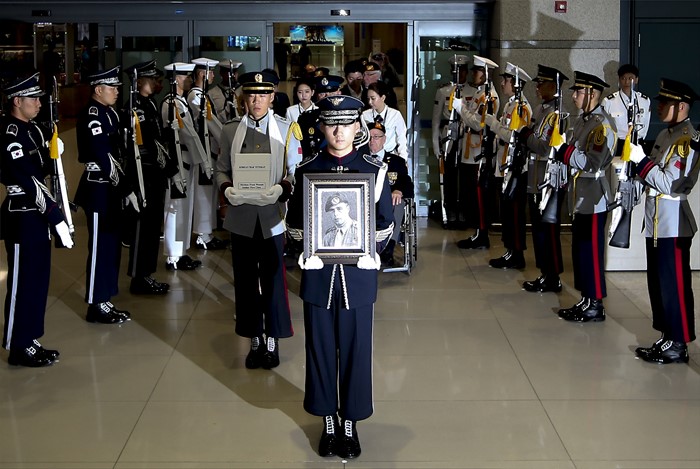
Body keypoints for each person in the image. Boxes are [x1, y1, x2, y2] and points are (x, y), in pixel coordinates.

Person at [287, 95, 394, 459]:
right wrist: (307, 248)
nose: (338, 131)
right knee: (319, 350)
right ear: (321, 126)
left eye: (346, 124)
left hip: (357, 277)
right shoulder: (307, 170)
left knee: (356, 351)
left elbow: (385, 223)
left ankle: (350, 421)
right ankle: (327, 421)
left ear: (357, 127)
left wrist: (368, 251)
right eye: (331, 123)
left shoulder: (373, 170)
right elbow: (294, 222)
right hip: (319, 276)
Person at [215, 70, 302, 370]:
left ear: (272, 97)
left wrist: (283, 188)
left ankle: (273, 339)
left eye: (263, 94)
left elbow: (295, 170)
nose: (257, 100)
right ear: (244, 98)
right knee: (245, 282)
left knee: (274, 282)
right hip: (241, 216)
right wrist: (227, 189)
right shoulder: (230, 130)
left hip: (272, 217)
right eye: (251, 94)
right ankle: (254, 339)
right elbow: (221, 169)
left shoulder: (286, 128)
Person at [1, 73, 74, 367]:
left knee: (37, 281)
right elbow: (28, 179)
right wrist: (55, 215)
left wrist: (51, 152)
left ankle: (30, 338)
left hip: (37, 215)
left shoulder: (32, 129)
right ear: (17, 101)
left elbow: (43, 168)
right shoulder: (10, 133)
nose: (39, 103)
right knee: (22, 282)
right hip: (22, 214)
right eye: (33, 98)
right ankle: (18, 346)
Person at [628, 78, 699, 363]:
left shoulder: (687, 140)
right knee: (658, 284)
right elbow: (653, 172)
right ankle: (668, 335)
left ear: (681, 106)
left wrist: (642, 162)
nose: (659, 106)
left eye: (666, 102)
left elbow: (670, 183)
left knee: (675, 285)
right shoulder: (665, 135)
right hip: (657, 222)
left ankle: (678, 343)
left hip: (673, 223)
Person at [553, 71, 616, 322]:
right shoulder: (583, 121)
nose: (574, 96)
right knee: (580, 251)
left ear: (592, 94)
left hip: (594, 196)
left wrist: (563, 151)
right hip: (580, 195)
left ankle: (595, 303)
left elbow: (592, 162)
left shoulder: (601, 125)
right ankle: (585, 298)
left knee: (591, 252)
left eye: (579, 92)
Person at [74, 66, 136, 324]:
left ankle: (106, 297)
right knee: (100, 247)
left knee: (111, 245)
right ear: (98, 90)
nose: (116, 91)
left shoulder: (109, 112)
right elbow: (103, 155)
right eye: (112, 87)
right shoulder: (93, 115)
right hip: (98, 186)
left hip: (111, 187)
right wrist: (125, 187)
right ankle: (96, 303)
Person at [517, 65, 569, 293]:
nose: (537, 88)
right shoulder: (541, 110)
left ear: (554, 86)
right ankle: (545, 272)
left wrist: (525, 134)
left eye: (542, 84)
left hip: (549, 180)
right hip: (537, 177)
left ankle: (553, 275)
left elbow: (545, 147)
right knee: (539, 229)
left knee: (548, 230)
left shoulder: (556, 115)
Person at [122, 60, 170, 295]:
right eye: (151, 79)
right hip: (144, 174)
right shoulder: (134, 107)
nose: (155, 83)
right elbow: (140, 145)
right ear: (138, 81)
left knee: (152, 227)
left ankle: (147, 274)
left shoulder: (150, 103)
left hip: (155, 173)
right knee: (143, 228)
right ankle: (138, 277)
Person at [483, 62, 533, 269]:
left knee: (514, 212)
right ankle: (510, 250)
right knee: (507, 211)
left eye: (506, 80)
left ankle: (517, 253)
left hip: (515, 167)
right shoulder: (510, 105)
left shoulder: (522, 107)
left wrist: (493, 124)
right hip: (504, 164)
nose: (503, 83)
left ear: (516, 84)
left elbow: (514, 136)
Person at [160, 62, 209, 271]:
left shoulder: (180, 102)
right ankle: (173, 255)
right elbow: (188, 134)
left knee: (185, 207)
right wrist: (204, 160)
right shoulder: (172, 104)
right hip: (178, 160)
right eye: (185, 76)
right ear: (176, 79)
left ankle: (181, 251)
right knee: (175, 207)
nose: (190, 79)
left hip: (187, 159)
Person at [455, 55, 501, 249]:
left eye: (478, 71)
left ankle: (482, 233)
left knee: (479, 196)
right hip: (470, 150)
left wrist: (461, 109)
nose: (474, 74)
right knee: (470, 194)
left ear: (486, 74)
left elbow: (477, 123)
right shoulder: (479, 93)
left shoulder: (489, 97)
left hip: (479, 152)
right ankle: (477, 231)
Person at [187, 57, 227, 251]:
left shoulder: (202, 94)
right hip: (203, 150)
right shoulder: (195, 96)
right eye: (210, 72)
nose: (212, 76)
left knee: (209, 192)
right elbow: (209, 122)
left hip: (211, 148)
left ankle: (207, 233)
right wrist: (225, 138)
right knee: (203, 193)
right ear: (202, 74)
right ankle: (203, 235)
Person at [431, 55, 472, 229]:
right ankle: (450, 211)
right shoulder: (443, 91)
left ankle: (463, 212)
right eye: (456, 70)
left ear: (467, 72)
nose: (459, 74)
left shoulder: (473, 91)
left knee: (465, 176)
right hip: (449, 137)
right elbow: (436, 120)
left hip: (466, 138)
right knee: (449, 176)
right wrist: (435, 144)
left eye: (462, 70)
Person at [367, 121, 414, 266]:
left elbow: (407, 183)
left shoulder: (396, 161)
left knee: (398, 202)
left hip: (390, 204)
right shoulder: (361, 160)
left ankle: (388, 248)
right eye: (369, 137)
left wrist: (399, 190)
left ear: (384, 139)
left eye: (376, 137)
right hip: (367, 203)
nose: (372, 140)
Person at [602, 64, 651, 155]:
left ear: (636, 80)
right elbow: (605, 127)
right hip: (618, 145)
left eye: (630, 78)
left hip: (638, 144)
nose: (627, 82)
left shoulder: (644, 100)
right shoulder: (609, 101)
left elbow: (646, 124)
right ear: (619, 80)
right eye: (623, 78)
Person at [297, 74, 343, 159]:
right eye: (322, 93)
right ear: (317, 95)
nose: (327, 97)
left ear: (339, 93)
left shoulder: (348, 118)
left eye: (331, 93)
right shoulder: (306, 119)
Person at [362, 81, 408, 160]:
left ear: (383, 98)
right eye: (368, 99)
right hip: (370, 156)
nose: (370, 102)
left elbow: (402, 139)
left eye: (373, 98)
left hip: (390, 156)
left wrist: (403, 159)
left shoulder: (395, 115)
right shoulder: (365, 115)